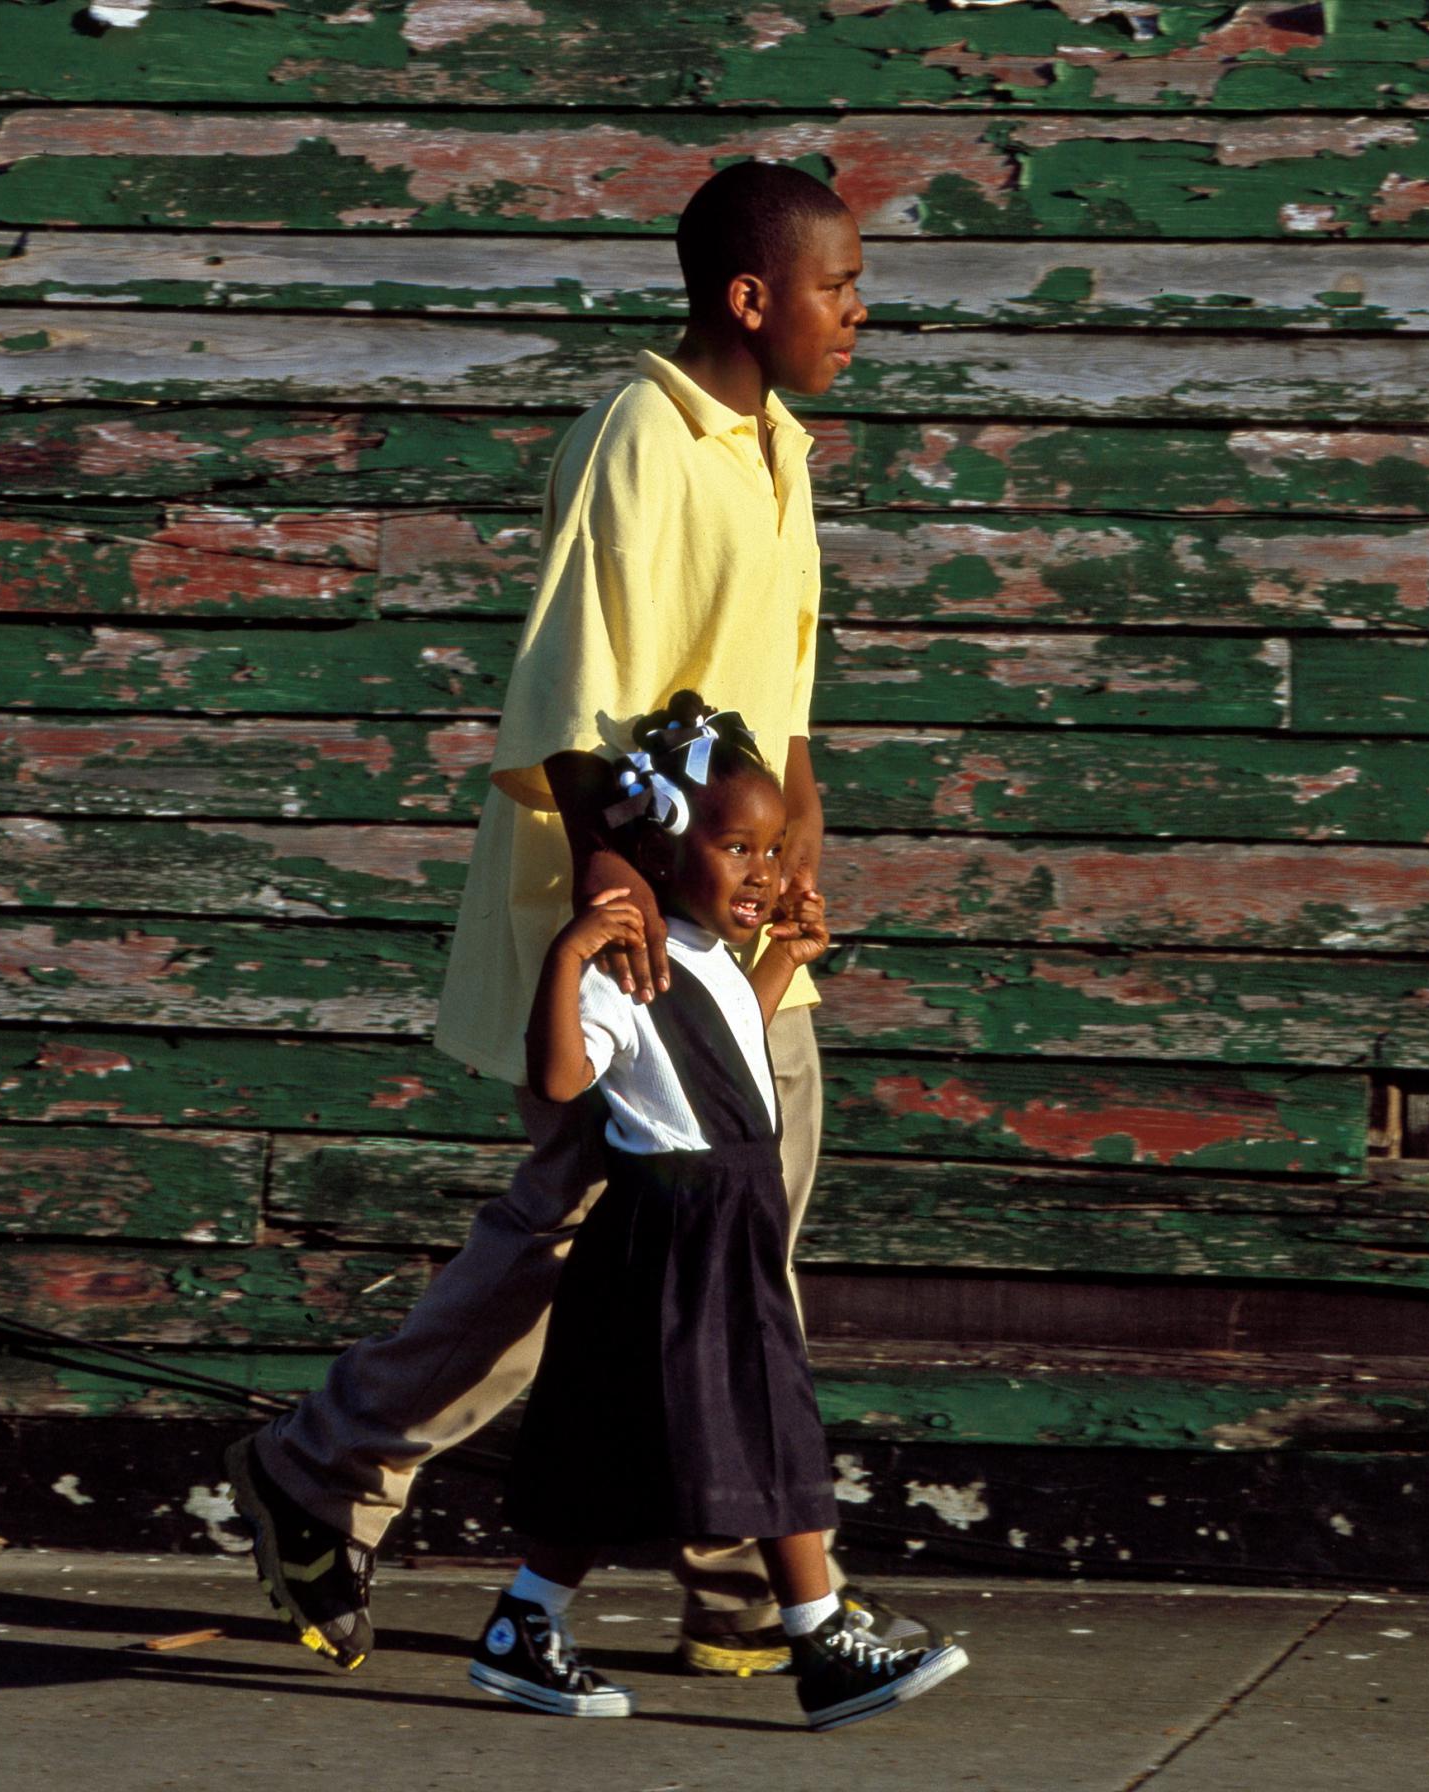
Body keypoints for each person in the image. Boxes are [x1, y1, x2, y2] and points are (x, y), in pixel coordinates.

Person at [223, 160, 929, 1677]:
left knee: (740, 1240)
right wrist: (627, 918)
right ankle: (327, 1469)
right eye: (840, 285)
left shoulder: (776, 446)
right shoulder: (640, 440)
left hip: (739, 926)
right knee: (586, 1249)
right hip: (642, 933)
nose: (862, 313)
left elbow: (774, 699)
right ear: (752, 297)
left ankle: (740, 1582)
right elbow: (577, 702)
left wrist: (804, 824)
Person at [467, 696, 968, 1730]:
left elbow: (732, 1035)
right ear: (658, 843)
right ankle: (819, 1637)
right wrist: (566, 956)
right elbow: (564, 1081)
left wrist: (790, 960)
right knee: (765, 1421)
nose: (765, 872)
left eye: (775, 849)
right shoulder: (625, 965)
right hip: (674, 1232)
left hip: (726, 1221)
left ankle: (525, 1622)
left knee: (618, 1446)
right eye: (737, 846)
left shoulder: (705, 958)